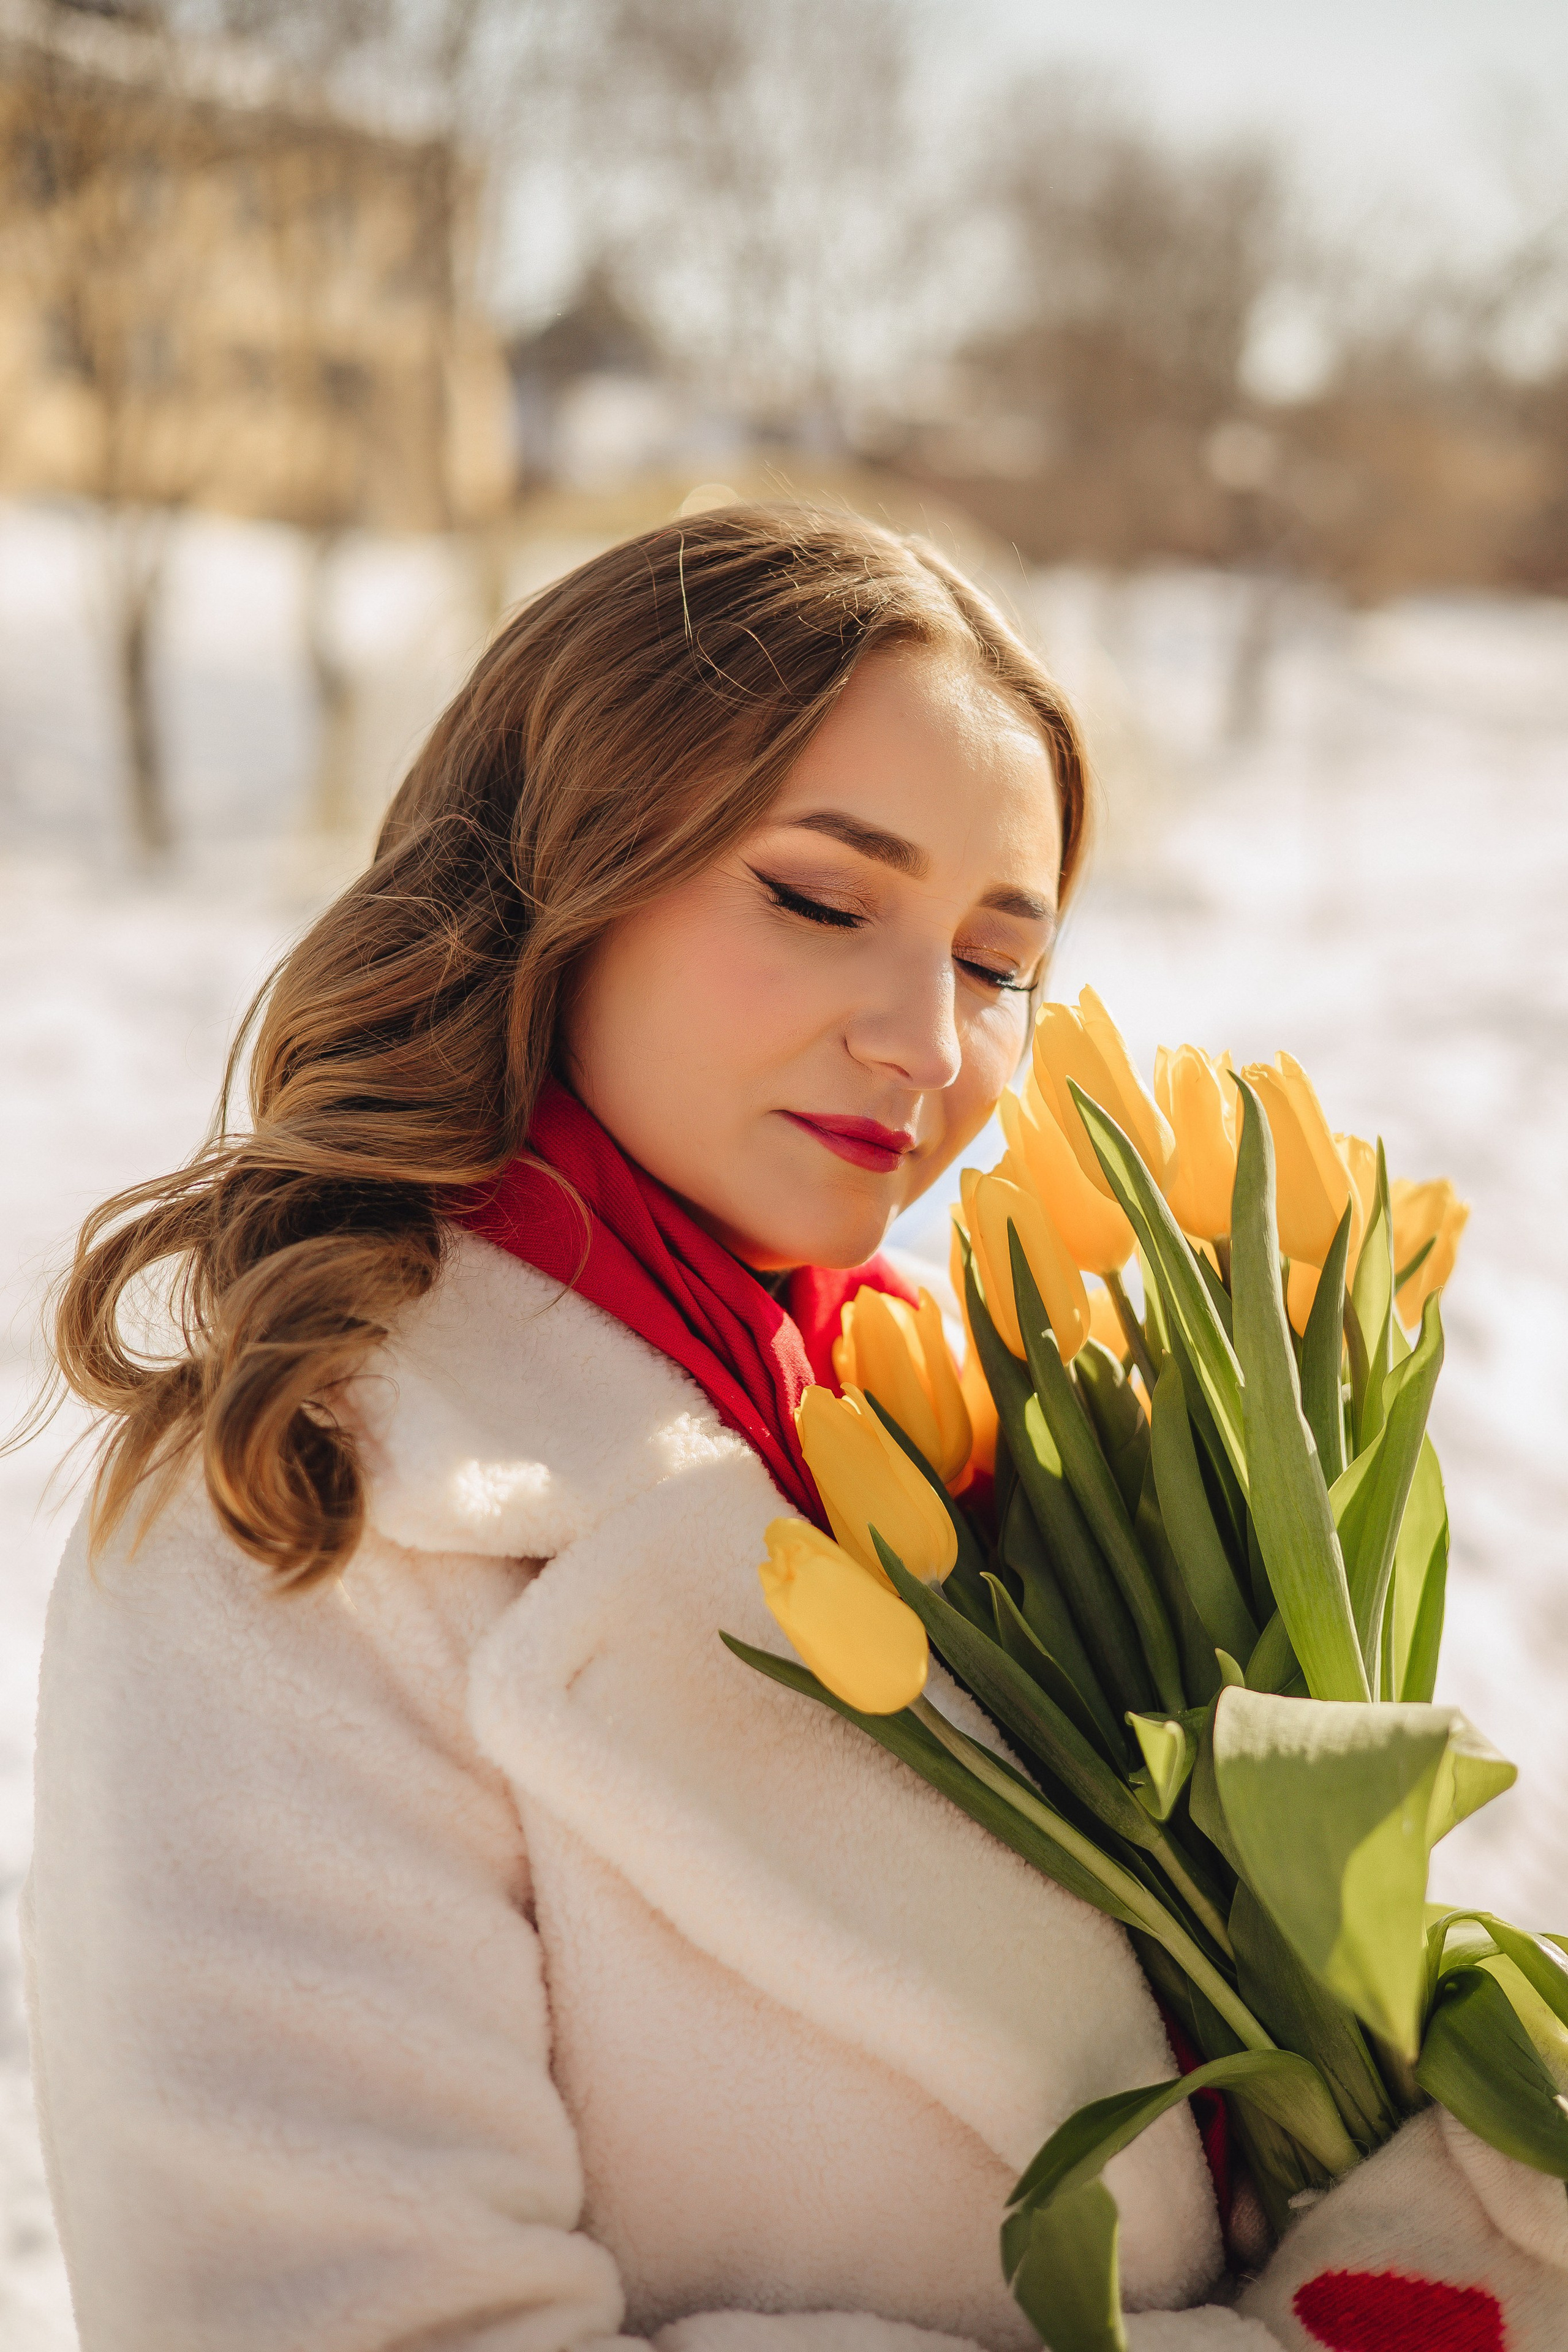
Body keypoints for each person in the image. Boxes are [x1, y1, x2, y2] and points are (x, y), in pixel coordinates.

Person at [23, 508, 1565, 2352]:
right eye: (825, 902)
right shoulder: (307, 1514)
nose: (931, 1038)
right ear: (561, 875)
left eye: (999, 963)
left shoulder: (984, 1449)